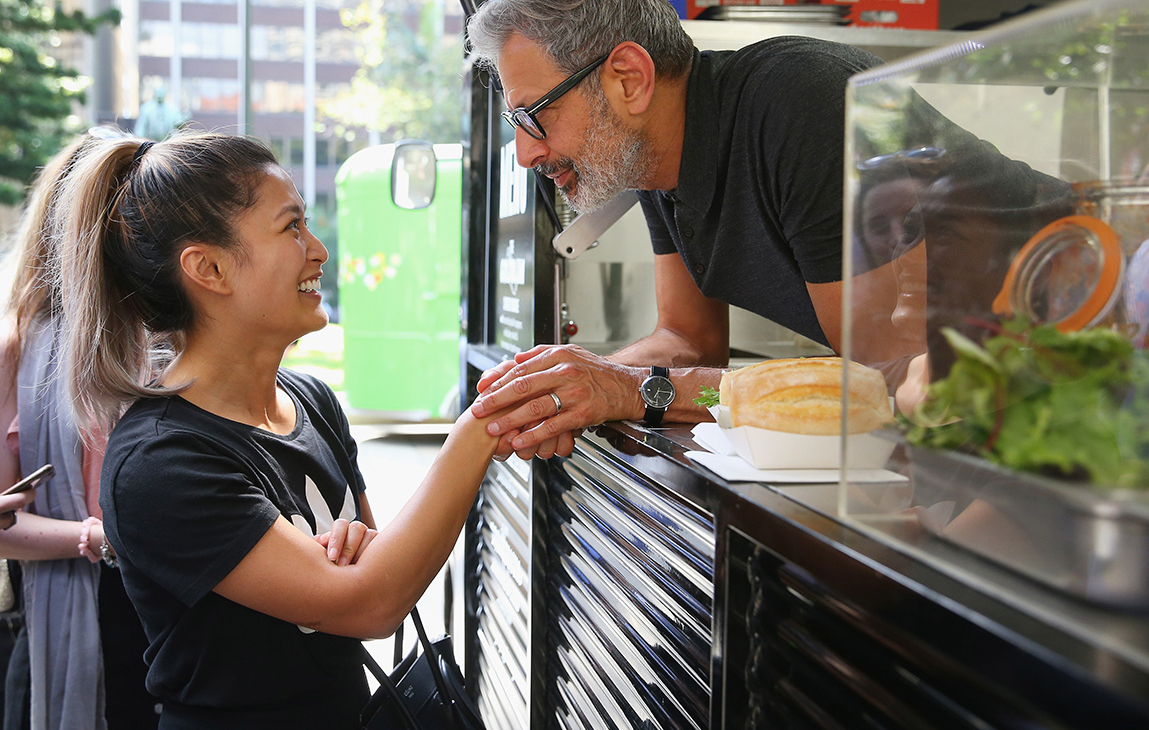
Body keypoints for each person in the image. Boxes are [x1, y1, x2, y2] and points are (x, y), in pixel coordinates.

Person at [464, 0, 1066, 459]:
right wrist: (569, 387)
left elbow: (881, 380)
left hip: (1074, 357)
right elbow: (689, 340)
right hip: (974, 402)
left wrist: (632, 390)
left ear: (628, 79)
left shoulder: (800, 101)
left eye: (534, 115)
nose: (524, 152)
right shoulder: (653, 161)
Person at [55, 130, 505, 728]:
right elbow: (373, 603)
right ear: (209, 268)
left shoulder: (311, 399)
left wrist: (367, 557)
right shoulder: (160, 461)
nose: (318, 251)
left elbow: (382, 571)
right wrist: (481, 427)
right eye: (291, 227)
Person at [0, 130, 162, 730]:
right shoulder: (18, 348)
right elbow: (2, 525)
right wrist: (94, 538)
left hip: (169, 614)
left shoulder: (170, 336)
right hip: (62, 620)